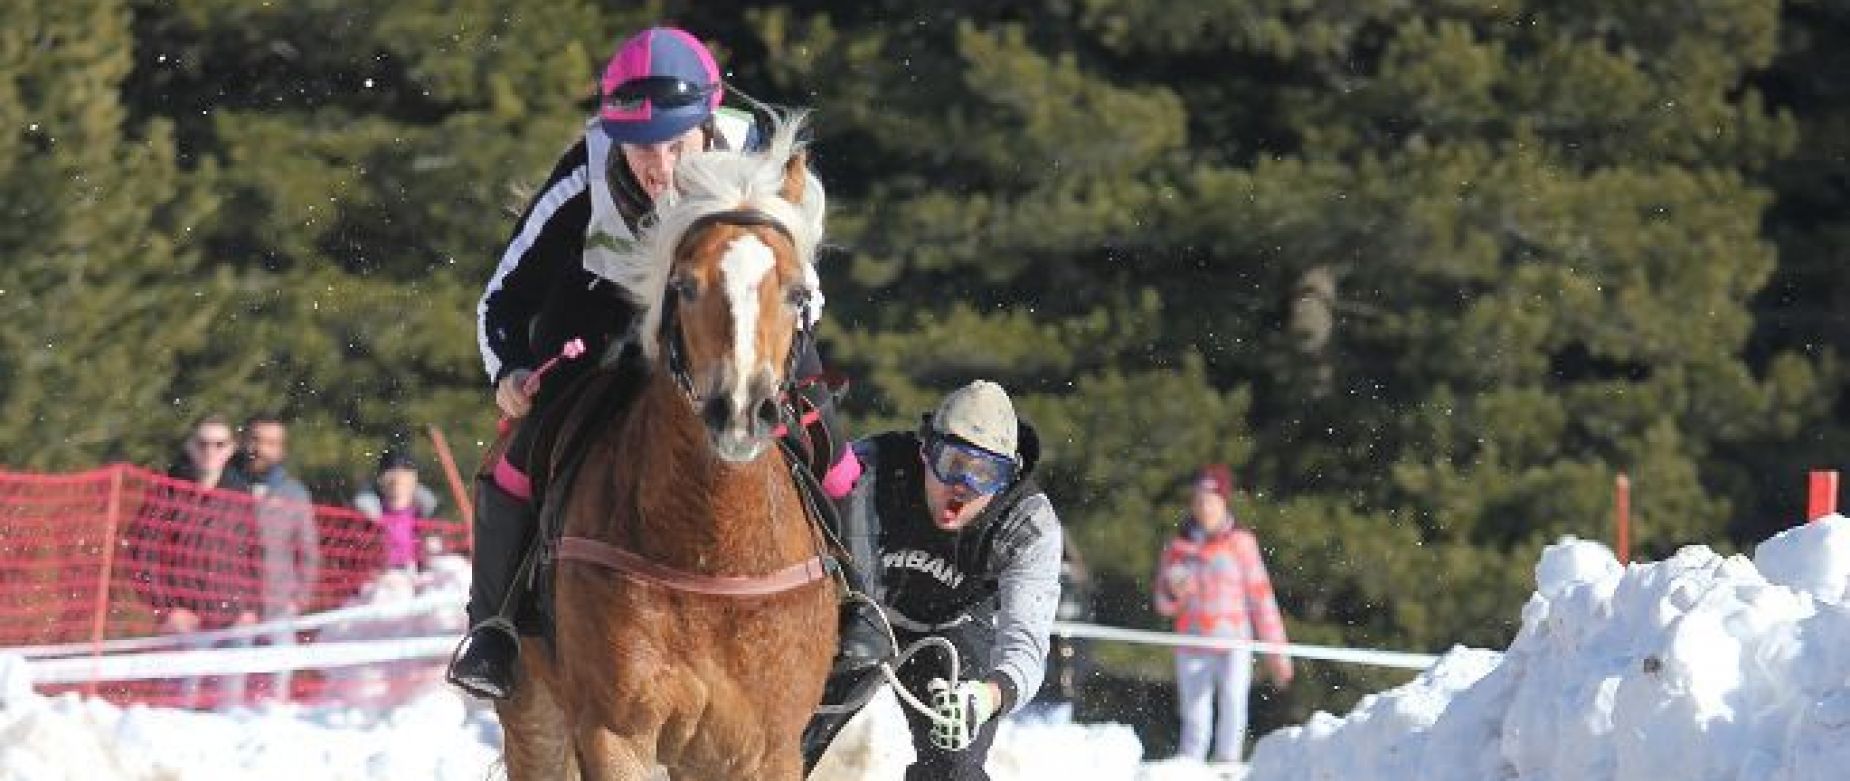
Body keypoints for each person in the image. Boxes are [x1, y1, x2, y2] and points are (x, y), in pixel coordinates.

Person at [450, 25, 864, 701]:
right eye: (642, 146)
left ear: (708, 125)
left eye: (677, 143)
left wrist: (776, 342)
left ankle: (861, 610)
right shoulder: (585, 171)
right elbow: (502, 294)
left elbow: (802, 283)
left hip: (735, 313)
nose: (660, 165)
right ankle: (494, 627)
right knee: (521, 452)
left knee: (829, 435)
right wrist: (509, 372)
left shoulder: (756, 156)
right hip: (605, 318)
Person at [823, 380, 1064, 779]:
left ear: (1006, 480)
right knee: (783, 737)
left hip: (955, 632)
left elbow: (1026, 644)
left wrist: (985, 698)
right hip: (862, 617)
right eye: (952, 464)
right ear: (925, 451)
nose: (963, 489)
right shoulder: (876, 466)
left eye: (984, 474)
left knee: (955, 765)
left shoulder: (1028, 522)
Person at [1152, 464, 1295, 764]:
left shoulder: (1242, 543)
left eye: (1211, 500)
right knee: (1195, 714)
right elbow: (1162, 605)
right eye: (1199, 499)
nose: (1204, 507)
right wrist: (1173, 593)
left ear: (1224, 501)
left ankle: (1227, 766)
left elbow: (1262, 599)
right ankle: (1189, 767)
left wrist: (1277, 653)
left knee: (1233, 706)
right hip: (1193, 642)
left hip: (1234, 643)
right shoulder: (1178, 546)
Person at [125, 413, 261, 709]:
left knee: (231, 713)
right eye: (203, 444)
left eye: (219, 444)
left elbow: (255, 555)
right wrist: (165, 609)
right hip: (185, 624)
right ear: (190, 446)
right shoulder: (167, 489)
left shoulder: (241, 494)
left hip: (232, 622)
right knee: (177, 712)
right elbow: (139, 554)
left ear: (231, 448)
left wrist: (251, 606)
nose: (210, 451)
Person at [230, 413, 323, 703]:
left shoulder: (294, 493)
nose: (261, 449)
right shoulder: (225, 484)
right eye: (256, 440)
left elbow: (308, 551)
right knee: (228, 685)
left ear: (281, 450)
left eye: (271, 443)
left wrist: (300, 598)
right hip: (232, 605)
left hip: (279, 603)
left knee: (276, 688)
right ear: (244, 441)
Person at [351, 448, 440, 572]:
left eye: (404, 472)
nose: (398, 478)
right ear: (380, 478)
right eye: (391, 472)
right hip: (380, 580)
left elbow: (442, 556)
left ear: (414, 478)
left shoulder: (428, 514)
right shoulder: (365, 517)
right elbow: (353, 558)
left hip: (422, 579)